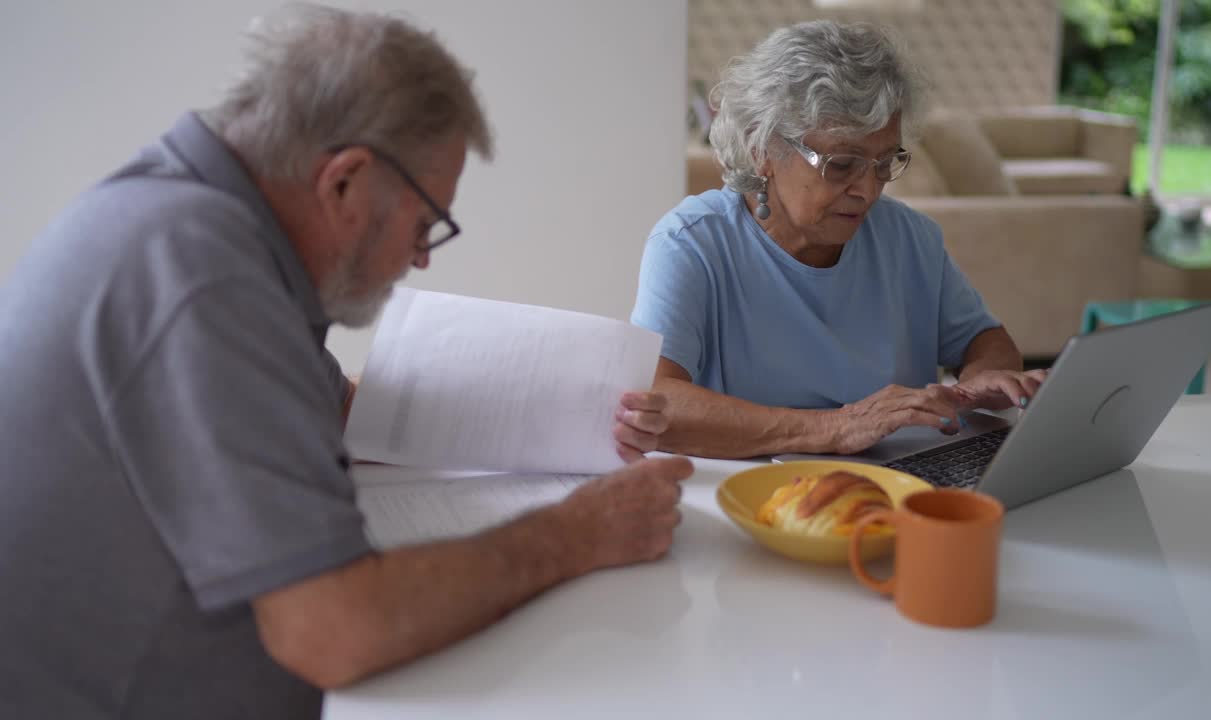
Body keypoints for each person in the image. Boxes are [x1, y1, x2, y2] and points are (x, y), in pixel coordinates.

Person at [0, 6, 690, 719]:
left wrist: (582, 413)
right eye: (427, 225)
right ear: (345, 182)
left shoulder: (194, 222)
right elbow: (335, 630)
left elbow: (342, 409)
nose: (421, 257)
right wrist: (578, 532)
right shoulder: (202, 275)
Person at [631, 20, 1047, 460]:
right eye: (842, 163)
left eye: (885, 162)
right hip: (756, 495)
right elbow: (654, 402)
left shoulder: (910, 237)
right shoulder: (692, 244)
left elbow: (986, 339)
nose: (868, 190)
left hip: (901, 484)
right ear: (761, 148)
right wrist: (836, 428)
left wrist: (977, 383)